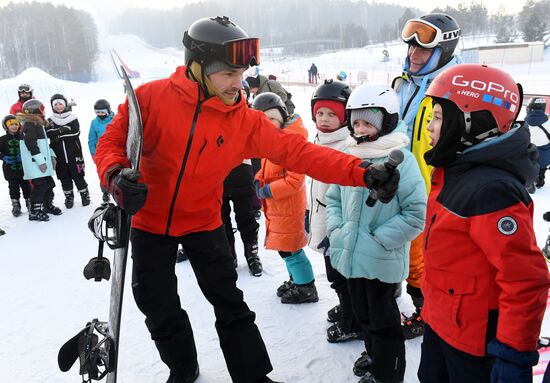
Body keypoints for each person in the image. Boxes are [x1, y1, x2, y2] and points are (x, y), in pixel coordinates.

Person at [93, 15, 399, 383]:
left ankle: (252, 376)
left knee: (229, 303)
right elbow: (110, 142)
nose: (238, 84)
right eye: (228, 75)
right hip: (147, 221)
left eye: (242, 74)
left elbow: (302, 154)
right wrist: (115, 176)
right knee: (157, 305)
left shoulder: (243, 121)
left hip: (204, 223)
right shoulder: (149, 99)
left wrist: (362, 172)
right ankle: (182, 365)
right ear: (197, 67)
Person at [417, 63, 549, 383]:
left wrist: (513, 353)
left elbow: (524, 279)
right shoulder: (454, 171)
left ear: (471, 122)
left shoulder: (491, 189)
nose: (429, 128)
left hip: (474, 339)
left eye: (437, 117)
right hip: (441, 321)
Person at [326, 83, 426, 383]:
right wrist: (337, 229)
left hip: (381, 261)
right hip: (350, 257)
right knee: (364, 316)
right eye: (355, 121)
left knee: (384, 323)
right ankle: (374, 355)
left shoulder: (402, 161)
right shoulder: (349, 155)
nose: (360, 128)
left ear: (387, 122)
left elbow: (416, 213)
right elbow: (332, 198)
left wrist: (380, 239)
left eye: (368, 122)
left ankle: (388, 373)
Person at [391, 12, 462, 339]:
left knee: (424, 259)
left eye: (422, 50)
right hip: (400, 185)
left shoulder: (453, 93)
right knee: (403, 253)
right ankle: (405, 304)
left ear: (442, 52)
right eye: (410, 48)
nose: (412, 55)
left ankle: (424, 311)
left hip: (432, 192)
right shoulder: (403, 83)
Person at [308, 79, 363, 342]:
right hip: (323, 220)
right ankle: (348, 307)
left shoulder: (347, 148)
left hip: (337, 228)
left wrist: (337, 231)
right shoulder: (319, 141)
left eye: (332, 114)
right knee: (334, 274)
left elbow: (349, 198)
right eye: (320, 113)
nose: (325, 119)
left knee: (343, 277)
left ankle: (352, 321)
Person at [252, 92, 318, 304]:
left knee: (292, 250)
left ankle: (306, 288)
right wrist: (258, 179)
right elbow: (267, 167)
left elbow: (294, 180)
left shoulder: (291, 142)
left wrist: (268, 190)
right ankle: (297, 279)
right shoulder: (273, 140)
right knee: (285, 250)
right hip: (278, 208)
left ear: (282, 116)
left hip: (289, 208)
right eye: (262, 120)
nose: (268, 124)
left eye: (271, 118)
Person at [19, 99, 62, 221]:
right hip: (36, 164)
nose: (44, 111)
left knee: (49, 184)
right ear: (35, 110)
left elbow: (44, 146)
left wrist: (52, 156)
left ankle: (47, 205)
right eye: (42, 108)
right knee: (40, 186)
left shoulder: (38, 124)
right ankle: (34, 211)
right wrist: (40, 161)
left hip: (43, 163)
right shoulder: (29, 124)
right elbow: (31, 145)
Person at [46, 94, 90, 208]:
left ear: (65, 104)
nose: (58, 106)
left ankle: (84, 194)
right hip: (59, 154)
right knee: (64, 177)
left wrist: (58, 135)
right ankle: (69, 196)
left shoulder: (72, 117)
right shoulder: (50, 120)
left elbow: (75, 133)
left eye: (60, 103)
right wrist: (62, 130)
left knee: (78, 175)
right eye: (55, 104)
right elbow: (48, 133)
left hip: (74, 153)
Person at [222, 159, 262, 275]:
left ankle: (252, 255)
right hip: (217, 171)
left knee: (246, 217)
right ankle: (228, 255)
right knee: (221, 220)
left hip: (241, 170)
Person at [1, 114, 31, 217]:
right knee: (13, 188)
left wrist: (23, 156)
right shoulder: (2, 139)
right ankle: (16, 204)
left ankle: (29, 202)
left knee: (26, 186)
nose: (14, 126)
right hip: (10, 170)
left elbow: (30, 149)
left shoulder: (23, 137)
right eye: (11, 124)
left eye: (16, 124)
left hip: (24, 168)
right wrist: (4, 157)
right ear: (6, 126)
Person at [89, 99, 114, 203]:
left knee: (116, 171)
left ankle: (118, 190)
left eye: (102, 112)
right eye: (97, 112)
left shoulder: (116, 119)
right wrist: (94, 153)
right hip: (101, 154)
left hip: (114, 151)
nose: (100, 114)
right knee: (103, 173)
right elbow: (92, 139)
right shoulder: (94, 123)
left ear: (108, 111)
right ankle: (105, 192)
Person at [524, 96, 550, 190]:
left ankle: (529, 180)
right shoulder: (549, 122)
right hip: (545, 157)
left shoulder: (524, 124)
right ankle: (540, 180)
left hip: (529, 156)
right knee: (542, 168)